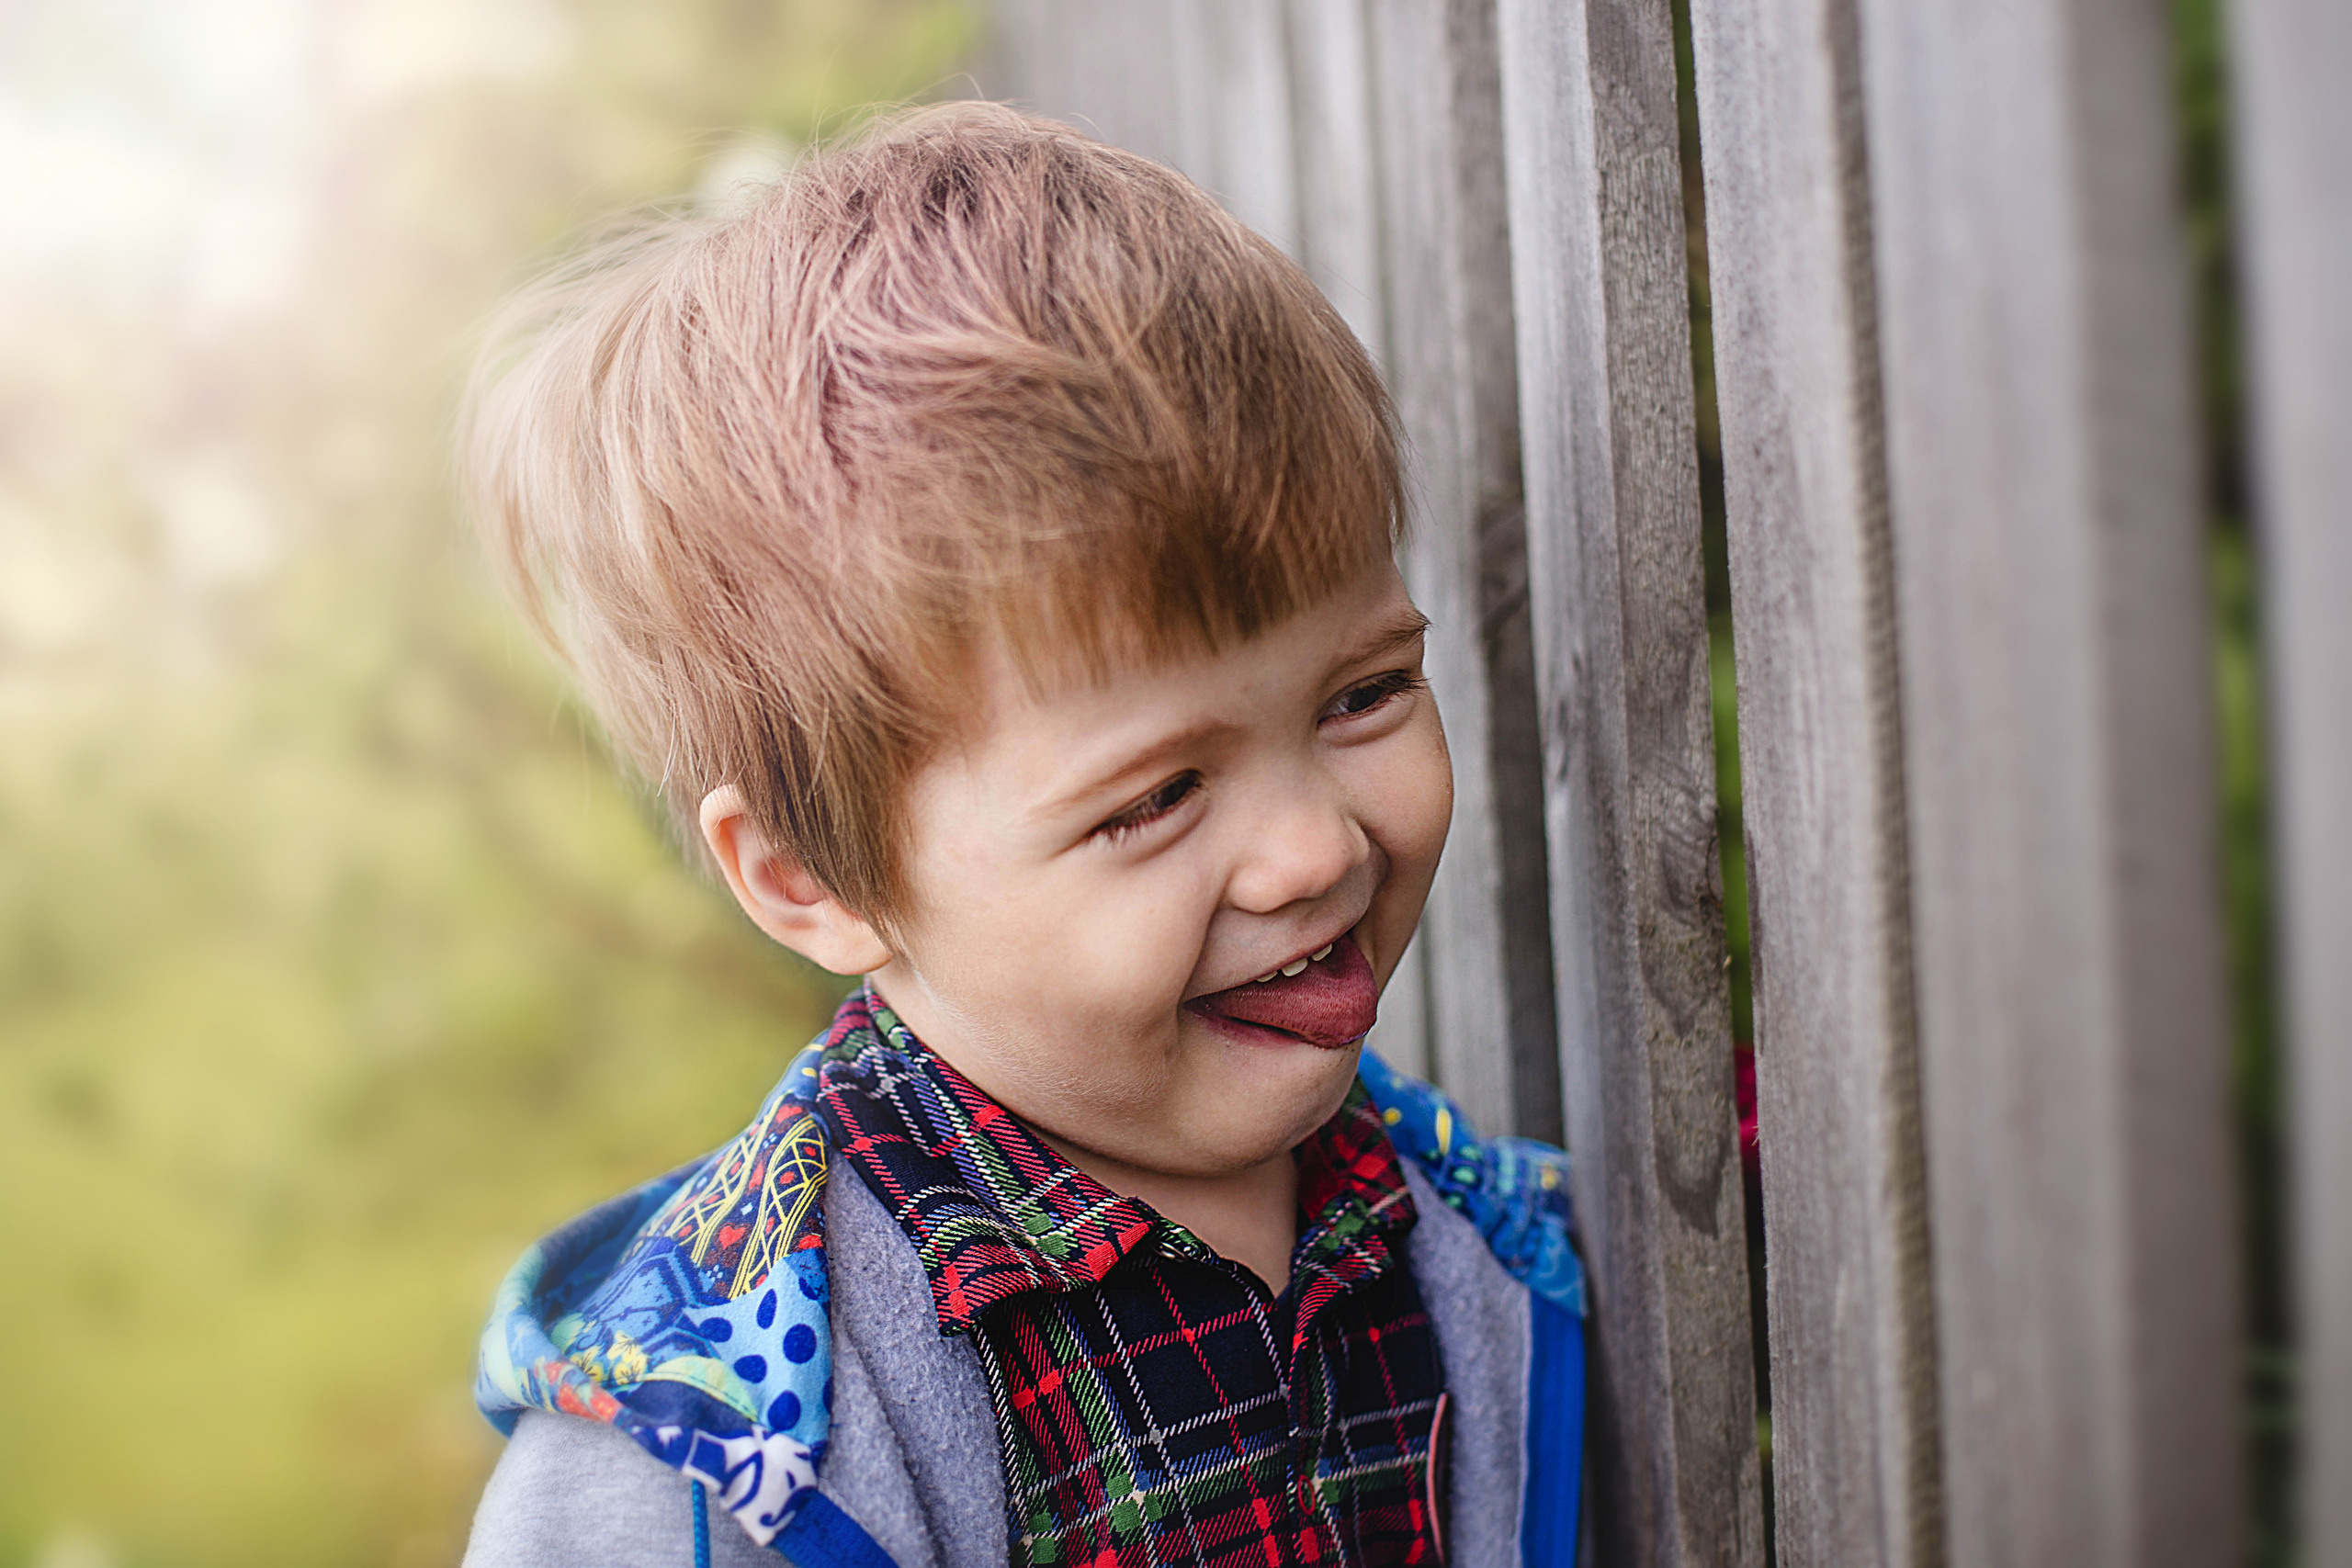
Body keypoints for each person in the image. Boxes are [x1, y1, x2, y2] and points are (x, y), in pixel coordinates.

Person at [458, 101, 1584, 1568]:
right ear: (813, 874)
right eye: (1156, 797)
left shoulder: (1472, 1233)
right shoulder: (709, 1478)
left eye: (1364, 693)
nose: (1313, 852)